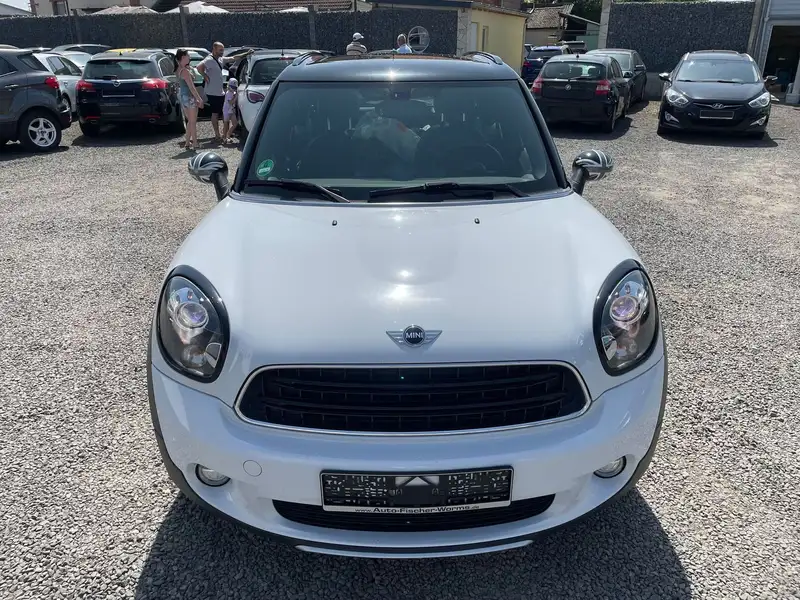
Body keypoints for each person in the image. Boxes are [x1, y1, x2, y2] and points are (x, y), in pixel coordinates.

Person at [198, 42, 251, 142]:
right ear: (214, 49)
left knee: (223, 112)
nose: (222, 52)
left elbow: (233, 58)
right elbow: (199, 67)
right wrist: (204, 76)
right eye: (220, 50)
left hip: (220, 91)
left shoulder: (220, 59)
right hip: (212, 92)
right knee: (215, 113)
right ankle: (217, 134)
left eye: (222, 50)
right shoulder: (209, 60)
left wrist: (246, 54)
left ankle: (224, 134)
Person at [175, 49, 204, 151]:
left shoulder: (179, 69)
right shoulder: (185, 71)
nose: (189, 57)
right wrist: (199, 99)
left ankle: (187, 142)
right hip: (189, 96)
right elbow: (191, 87)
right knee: (193, 122)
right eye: (188, 56)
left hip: (183, 97)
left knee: (190, 121)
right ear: (183, 57)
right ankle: (195, 143)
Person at [222, 78, 239, 144]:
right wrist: (235, 97)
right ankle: (224, 137)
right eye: (232, 87)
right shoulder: (228, 93)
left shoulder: (233, 93)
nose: (234, 89)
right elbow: (230, 102)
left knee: (235, 123)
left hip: (231, 110)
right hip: (226, 110)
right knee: (226, 124)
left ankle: (228, 134)